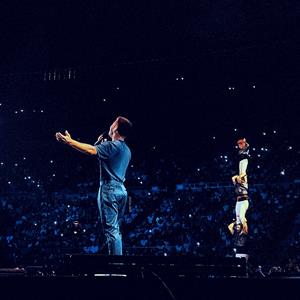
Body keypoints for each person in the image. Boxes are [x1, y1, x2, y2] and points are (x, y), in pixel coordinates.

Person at [55, 116, 132, 255]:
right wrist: (98, 144)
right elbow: (97, 152)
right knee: (116, 229)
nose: (110, 125)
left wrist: (69, 141)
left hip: (110, 189)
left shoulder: (111, 146)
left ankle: (117, 268)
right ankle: (119, 264)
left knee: (112, 231)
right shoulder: (126, 150)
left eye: (113, 123)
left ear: (115, 128)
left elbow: (90, 151)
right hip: (122, 190)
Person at [228, 138, 250, 236]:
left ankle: (244, 149)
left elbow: (229, 227)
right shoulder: (244, 181)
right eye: (238, 228)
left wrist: (235, 231)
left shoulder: (237, 222)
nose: (237, 227)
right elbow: (238, 178)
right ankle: (246, 148)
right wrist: (243, 229)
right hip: (244, 201)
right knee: (242, 169)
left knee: (239, 169)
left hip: (238, 202)